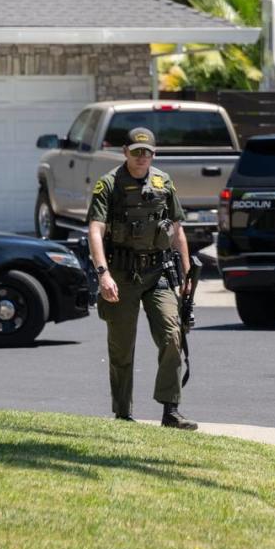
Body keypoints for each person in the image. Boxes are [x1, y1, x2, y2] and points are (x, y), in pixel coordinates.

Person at [87, 127, 196, 429]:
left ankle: (170, 411)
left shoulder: (163, 182)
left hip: (157, 272)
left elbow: (177, 229)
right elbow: (95, 231)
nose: (141, 157)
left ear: (154, 155)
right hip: (120, 273)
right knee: (122, 346)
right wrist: (103, 274)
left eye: (146, 153)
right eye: (136, 152)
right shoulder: (108, 185)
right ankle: (123, 413)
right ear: (125, 152)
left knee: (172, 336)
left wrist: (186, 275)